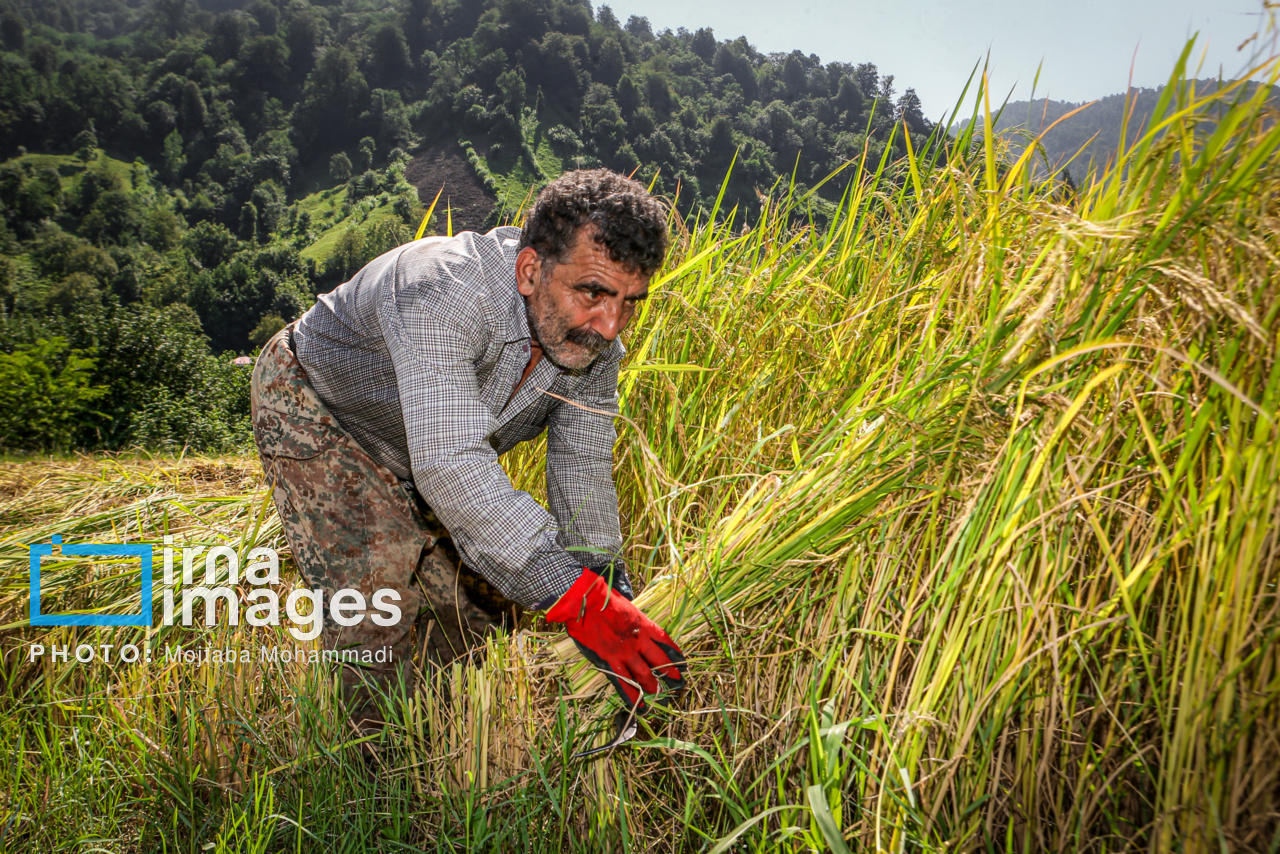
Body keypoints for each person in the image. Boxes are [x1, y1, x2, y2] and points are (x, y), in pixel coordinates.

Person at [250, 169, 687, 728]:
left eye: (630, 302)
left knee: (480, 621)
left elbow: (583, 467)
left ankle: (439, 746)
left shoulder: (597, 349)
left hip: (422, 448)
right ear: (530, 270)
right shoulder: (442, 289)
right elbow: (452, 464)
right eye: (593, 293)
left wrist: (602, 579)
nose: (609, 325)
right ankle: (364, 781)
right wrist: (578, 601)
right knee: (378, 613)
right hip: (321, 406)